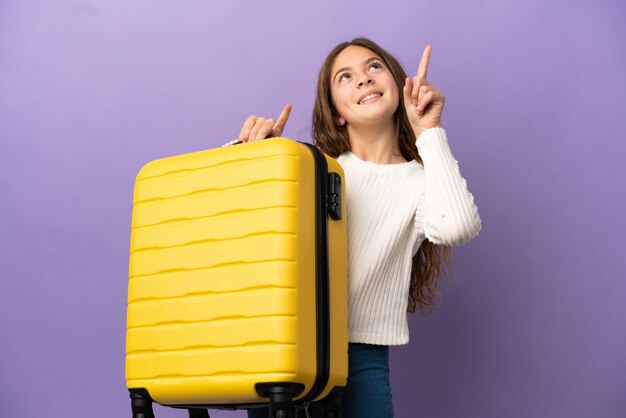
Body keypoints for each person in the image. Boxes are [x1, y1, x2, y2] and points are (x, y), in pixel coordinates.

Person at [235, 38, 481, 418]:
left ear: (398, 86)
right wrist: (249, 157)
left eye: (374, 67)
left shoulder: (419, 181)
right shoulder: (312, 169)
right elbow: (237, 226)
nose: (364, 79)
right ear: (336, 113)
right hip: (285, 349)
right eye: (345, 76)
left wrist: (428, 132)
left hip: (361, 360)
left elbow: (458, 226)